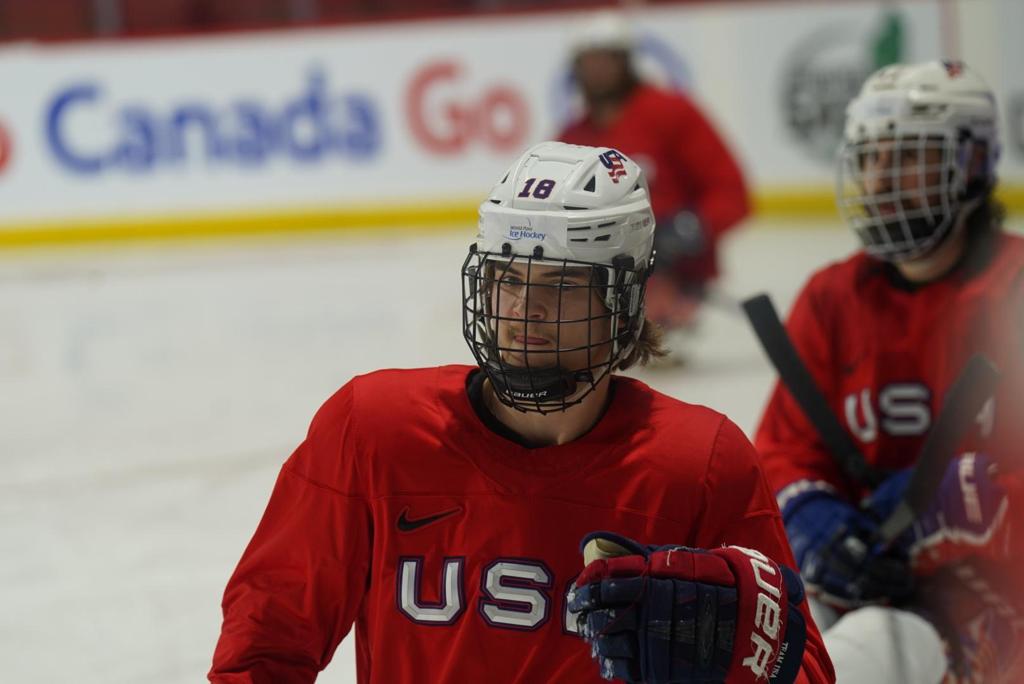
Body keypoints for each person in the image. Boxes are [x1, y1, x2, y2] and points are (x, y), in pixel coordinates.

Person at [210, 141, 834, 683]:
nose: (523, 308)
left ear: (623, 302)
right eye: (507, 278)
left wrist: (737, 667)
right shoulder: (373, 430)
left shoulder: (700, 465)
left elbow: (801, 666)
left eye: (560, 284)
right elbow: (266, 639)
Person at [754, 60, 1024, 684]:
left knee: (867, 655)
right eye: (870, 158)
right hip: (870, 581)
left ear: (973, 163)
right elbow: (783, 448)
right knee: (769, 642)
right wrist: (809, 514)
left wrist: (975, 494)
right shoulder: (831, 298)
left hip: (998, 583)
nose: (880, 180)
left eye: (907, 158)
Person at [557, 12, 751, 360]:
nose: (597, 70)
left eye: (607, 59)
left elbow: (730, 191)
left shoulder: (672, 113)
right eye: (589, 61)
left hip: (675, 269)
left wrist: (693, 227)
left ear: (626, 61)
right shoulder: (571, 138)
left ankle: (667, 312)